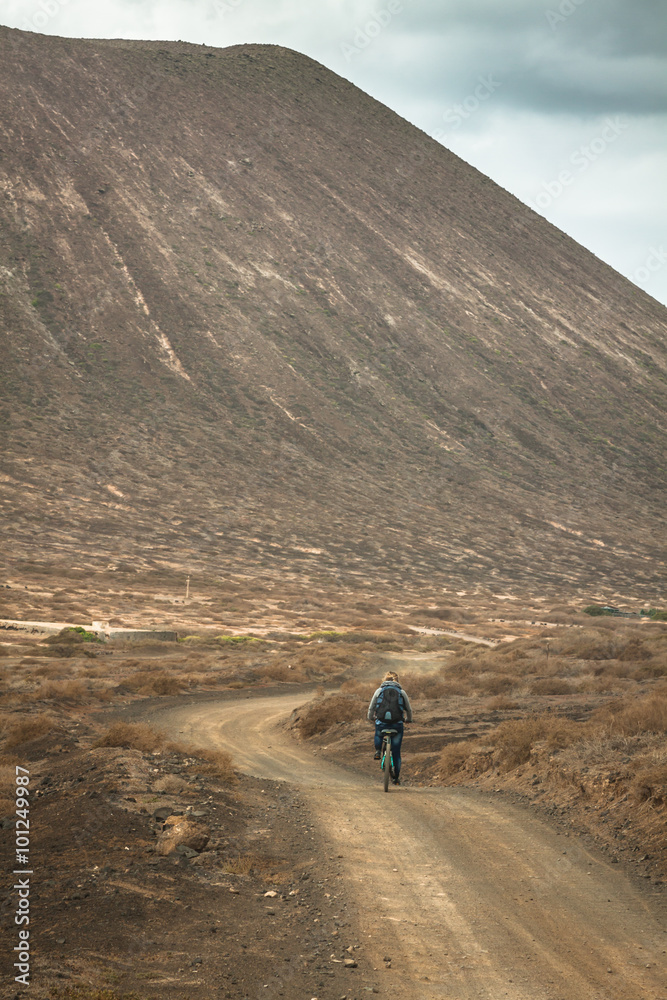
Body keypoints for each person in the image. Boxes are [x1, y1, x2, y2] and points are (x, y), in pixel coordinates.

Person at [367, 671, 413, 785]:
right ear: (397, 681)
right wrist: (408, 720)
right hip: (397, 724)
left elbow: (371, 707)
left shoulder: (379, 691)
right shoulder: (402, 692)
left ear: (384, 680)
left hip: (381, 722)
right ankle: (396, 778)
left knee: (378, 734)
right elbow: (409, 709)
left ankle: (378, 751)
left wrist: (370, 718)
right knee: (396, 753)